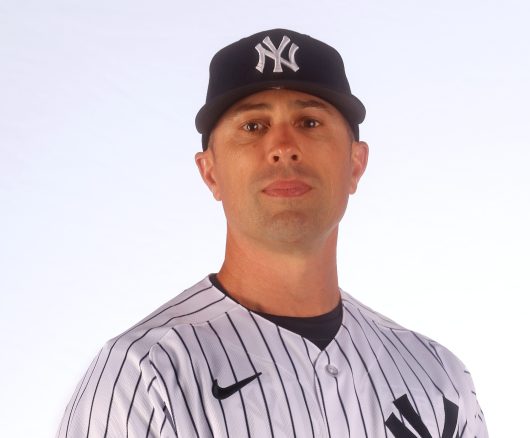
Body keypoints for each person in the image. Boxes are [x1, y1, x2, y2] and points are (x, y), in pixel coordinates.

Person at [57, 28, 488, 438]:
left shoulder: (434, 375)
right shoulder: (145, 374)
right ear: (210, 172)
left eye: (310, 122)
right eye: (253, 126)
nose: (283, 145)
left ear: (356, 163)